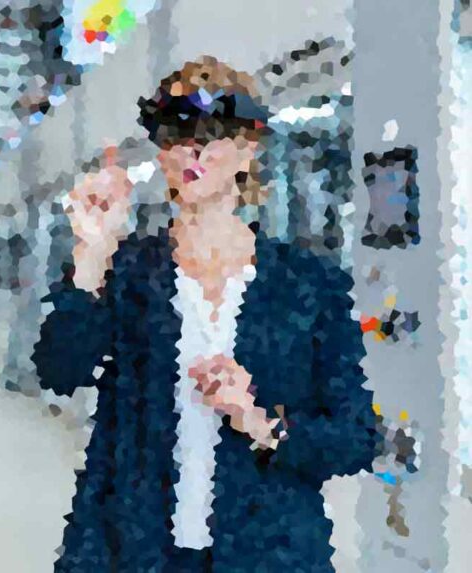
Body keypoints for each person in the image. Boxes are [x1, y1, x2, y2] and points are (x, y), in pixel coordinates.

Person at [32, 56, 380, 572]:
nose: (191, 150)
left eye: (211, 135)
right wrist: (92, 250)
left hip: (268, 553)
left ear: (248, 148)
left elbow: (356, 436)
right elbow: (59, 371)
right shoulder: (128, 271)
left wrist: (260, 423)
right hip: (136, 550)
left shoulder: (307, 283)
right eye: (175, 136)